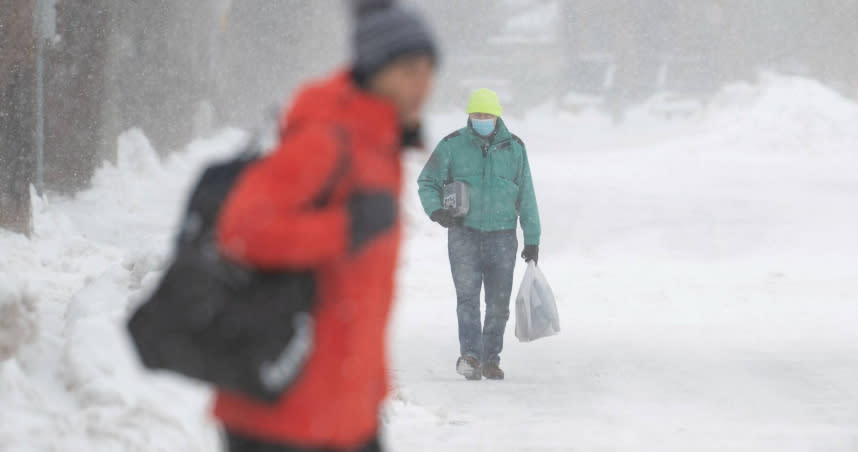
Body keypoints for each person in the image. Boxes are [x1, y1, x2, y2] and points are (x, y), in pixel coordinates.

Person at [212, 1, 438, 451]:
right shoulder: (327, 136)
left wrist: (370, 396)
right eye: (409, 69)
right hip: (281, 411)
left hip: (343, 408)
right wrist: (346, 227)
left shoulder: (378, 144)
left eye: (429, 69)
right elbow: (242, 230)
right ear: (375, 69)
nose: (424, 84)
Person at [417, 88, 541, 381]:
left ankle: (491, 359)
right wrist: (437, 211)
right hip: (464, 235)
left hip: (502, 237)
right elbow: (427, 181)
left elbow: (527, 197)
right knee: (467, 298)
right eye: (476, 115)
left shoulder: (515, 149)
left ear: (497, 116)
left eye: (487, 114)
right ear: (469, 116)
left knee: (498, 303)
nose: (482, 119)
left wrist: (532, 239)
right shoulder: (452, 146)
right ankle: (470, 356)